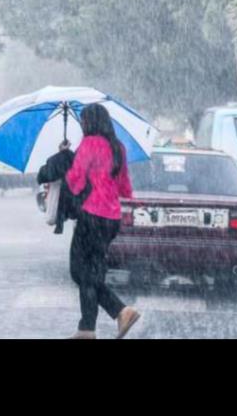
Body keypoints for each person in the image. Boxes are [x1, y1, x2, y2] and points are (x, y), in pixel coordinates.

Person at [63, 103, 141, 339]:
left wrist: (68, 157)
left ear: (90, 122)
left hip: (91, 215)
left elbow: (75, 181)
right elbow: (125, 187)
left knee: (79, 272)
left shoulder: (89, 144)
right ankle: (86, 329)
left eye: (84, 121)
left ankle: (120, 310)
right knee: (93, 274)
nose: (82, 126)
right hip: (111, 219)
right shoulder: (118, 147)